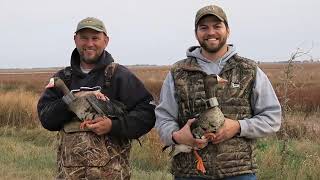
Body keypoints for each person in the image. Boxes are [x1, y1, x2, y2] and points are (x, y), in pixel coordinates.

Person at [155, 5, 281, 180]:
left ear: (227, 30)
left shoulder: (249, 70)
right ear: (196, 33)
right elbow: (163, 117)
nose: (211, 32)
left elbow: (272, 118)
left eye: (217, 26)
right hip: (189, 173)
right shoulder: (178, 72)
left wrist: (238, 127)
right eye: (204, 27)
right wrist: (176, 136)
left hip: (238, 172)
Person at [37, 17, 156, 179]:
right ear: (75, 40)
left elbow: (148, 114)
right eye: (84, 38)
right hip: (69, 175)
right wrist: (72, 100)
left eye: (95, 38)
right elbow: (46, 118)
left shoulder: (119, 76)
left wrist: (113, 126)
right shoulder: (63, 78)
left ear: (106, 41)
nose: (89, 43)